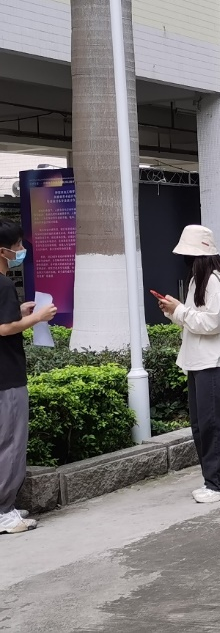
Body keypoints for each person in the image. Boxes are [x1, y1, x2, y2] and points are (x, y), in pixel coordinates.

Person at [159, 225, 220, 504]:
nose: (186, 260)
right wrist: (174, 311)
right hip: (199, 361)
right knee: (202, 426)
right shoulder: (200, 279)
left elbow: (211, 323)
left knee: (212, 425)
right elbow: (195, 319)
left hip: (212, 363)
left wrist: (179, 310)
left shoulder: (214, 281)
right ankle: (213, 481)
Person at [0, 220, 57, 533]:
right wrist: (37, 317)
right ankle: (4, 511)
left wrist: (20, 313)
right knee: (10, 442)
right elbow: (4, 328)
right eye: (18, 246)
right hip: (7, 377)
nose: (21, 250)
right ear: (3, 251)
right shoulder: (3, 284)